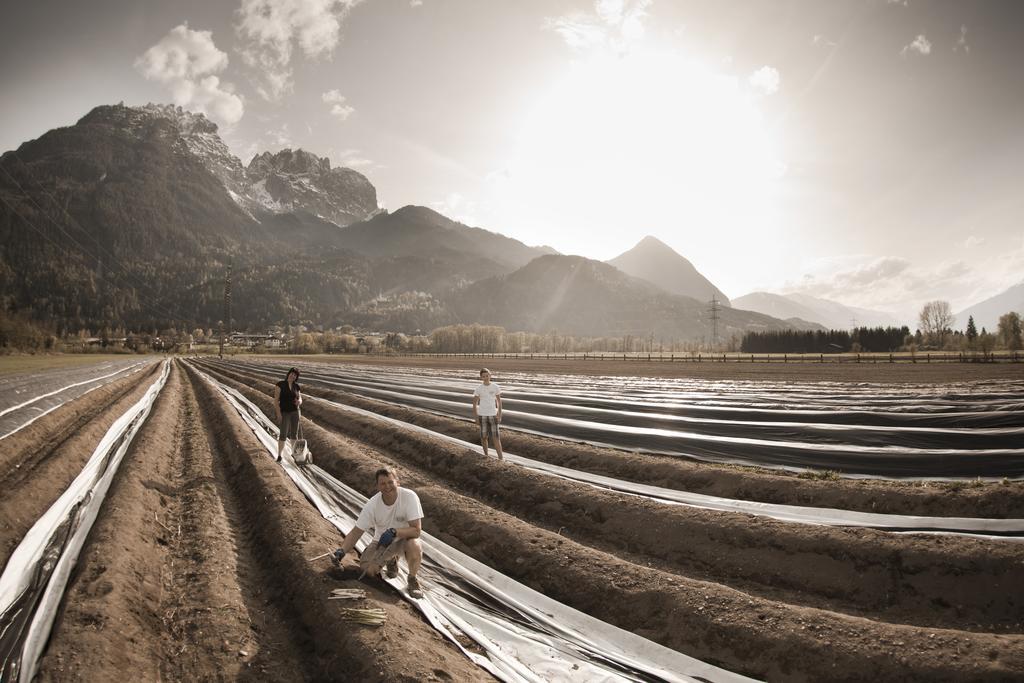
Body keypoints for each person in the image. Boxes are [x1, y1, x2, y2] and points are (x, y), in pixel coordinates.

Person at [334, 468, 425, 599]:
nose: (387, 486)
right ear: (377, 486)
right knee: (368, 570)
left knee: (414, 545)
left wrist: (395, 532)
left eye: (390, 482)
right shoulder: (373, 505)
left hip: (404, 540)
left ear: (397, 482)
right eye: (383, 483)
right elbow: (356, 532)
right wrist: (342, 551)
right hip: (381, 542)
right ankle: (391, 559)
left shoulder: (409, 497)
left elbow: (416, 530)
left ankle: (412, 579)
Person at [472, 367, 503, 461]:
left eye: (487, 375)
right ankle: (486, 455)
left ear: (490, 375)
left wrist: (499, 414)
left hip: (493, 415)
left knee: (496, 437)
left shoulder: (495, 387)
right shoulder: (478, 389)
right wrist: (476, 417)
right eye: (483, 376)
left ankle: (501, 458)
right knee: (484, 436)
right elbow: (474, 404)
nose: (486, 377)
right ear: (481, 377)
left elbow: (499, 402)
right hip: (482, 415)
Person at [274, 367, 302, 462]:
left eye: (295, 375)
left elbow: (300, 398)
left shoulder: (296, 386)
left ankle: (294, 454)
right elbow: (276, 400)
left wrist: (299, 402)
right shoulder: (280, 384)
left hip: (295, 412)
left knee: (294, 434)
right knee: (283, 434)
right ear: (288, 373)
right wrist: (278, 414)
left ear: (296, 377)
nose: (293, 376)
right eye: (292, 373)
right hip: (285, 412)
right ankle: (279, 455)